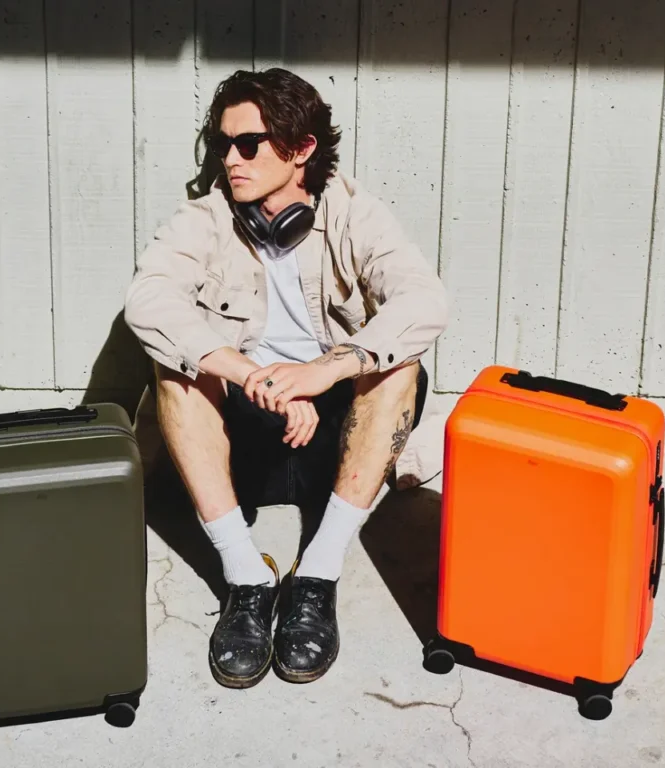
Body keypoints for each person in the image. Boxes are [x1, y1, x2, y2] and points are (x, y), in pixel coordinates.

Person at [123, 67, 449, 688]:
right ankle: (246, 577)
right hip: (243, 425)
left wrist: (322, 372)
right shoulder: (208, 217)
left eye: (249, 144)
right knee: (175, 372)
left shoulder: (357, 214)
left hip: (333, 428)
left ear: (301, 150)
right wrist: (252, 376)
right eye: (223, 144)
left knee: (397, 369)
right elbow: (148, 299)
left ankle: (317, 573)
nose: (231, 160)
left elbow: (425, 301)